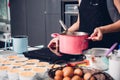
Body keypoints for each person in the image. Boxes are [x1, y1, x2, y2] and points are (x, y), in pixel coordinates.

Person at [48, 0, 120, 56]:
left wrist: (102, 30)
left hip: (108, 52)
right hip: (85, 52)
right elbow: (79, 23)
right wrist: (61, 36)